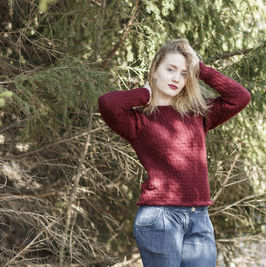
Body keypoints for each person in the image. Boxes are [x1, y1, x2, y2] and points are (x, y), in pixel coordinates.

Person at [98, 39, 251, 267]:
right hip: (160, 217)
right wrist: (145, 94)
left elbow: (240, 97)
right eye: (170, 69)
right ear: (155, 70)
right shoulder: (138, 121)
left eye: (183, 73)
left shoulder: (198, 114)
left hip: (199, 217)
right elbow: (107, 103)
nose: (176, 78)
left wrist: (202, 69)